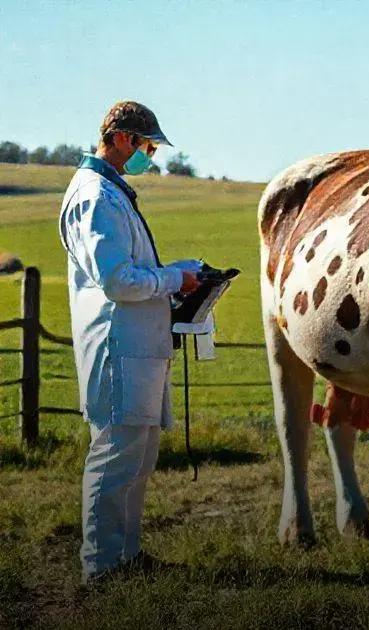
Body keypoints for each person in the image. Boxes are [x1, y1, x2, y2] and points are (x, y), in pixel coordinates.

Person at [58, 101, 201, 583]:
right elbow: (117, 280)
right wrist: (170, 279)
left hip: (139, 343)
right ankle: (100, 567)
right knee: (116, 455)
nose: (150, 155)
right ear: (121, 138)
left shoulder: (112, 191)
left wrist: (177, 273)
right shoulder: (96, 195)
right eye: (147, 145)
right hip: (118, 343)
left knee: (138, 456)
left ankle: (127, 556)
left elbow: (129, 268)